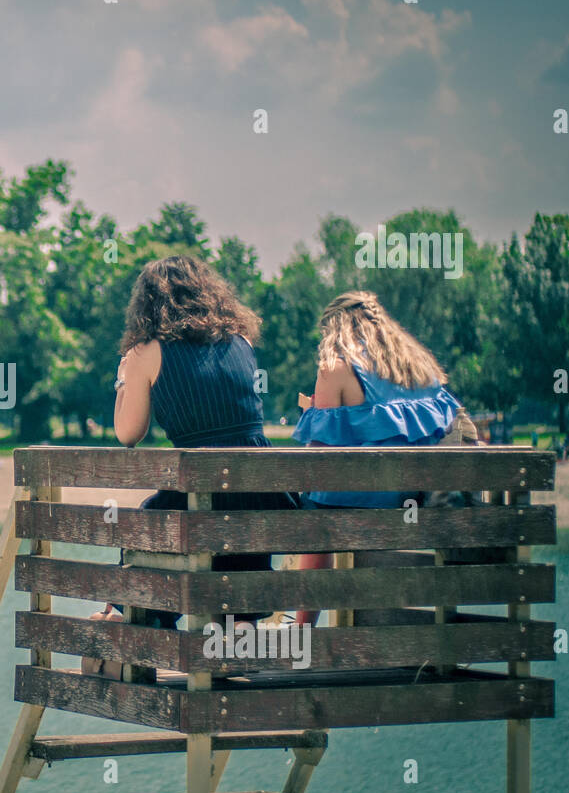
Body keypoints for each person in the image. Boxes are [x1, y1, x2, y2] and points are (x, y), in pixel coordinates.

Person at [82, 254, 297, 679]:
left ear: (147, 303)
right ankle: (236, 629)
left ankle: (132, 621)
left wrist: (124, 377)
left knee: (152, 525)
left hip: (202, 497)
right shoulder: (241, 342)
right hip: (263, 493)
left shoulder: (147, 352)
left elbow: (128, 433)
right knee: (222, 529)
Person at [291, 292, 462, 625]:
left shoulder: (335, 367)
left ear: (334, 328)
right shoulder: (418, 368)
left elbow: (319, 457)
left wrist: (311, 415)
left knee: (315, 501)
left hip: (352, 506)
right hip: (411, 504)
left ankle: (301, 627)